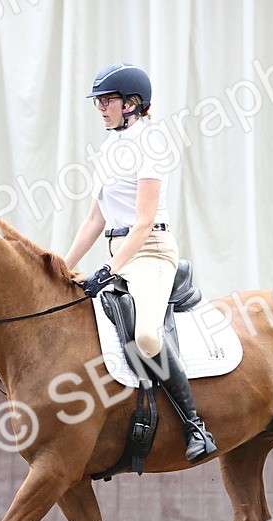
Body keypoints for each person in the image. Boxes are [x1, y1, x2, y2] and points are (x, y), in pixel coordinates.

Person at [65, 62, 217, 464]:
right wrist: (63, 266)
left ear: (132, 104)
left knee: (147, 336)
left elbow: (144, 220)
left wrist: (111, 270)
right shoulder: (107, 149)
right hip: (120, 254)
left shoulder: (152, 144)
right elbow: (95, 220)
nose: (100, 107)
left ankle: (194, 425)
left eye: (107, 100)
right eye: (98, 100)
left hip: (150, 252)